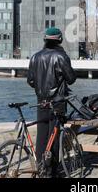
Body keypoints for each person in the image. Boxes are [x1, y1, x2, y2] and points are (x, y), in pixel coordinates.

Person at [27, 27, 77, 177]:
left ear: (45, 39)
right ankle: (51, 171)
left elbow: (30, 81)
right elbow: (71, 79)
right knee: (54, 137)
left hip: (41, 102)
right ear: (60, 40)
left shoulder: (35, 57)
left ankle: (41, 167)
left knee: (41, 136)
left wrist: (41, 89)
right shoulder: (61, 57)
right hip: (57, 102)